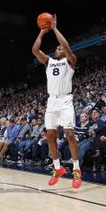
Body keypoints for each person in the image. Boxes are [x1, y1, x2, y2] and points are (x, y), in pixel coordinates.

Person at [32, 14, 81, 188]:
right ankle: (58, 168)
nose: (58, 50)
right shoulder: (49, 62)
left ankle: (76, 170)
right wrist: (42, 32)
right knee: (50, 136)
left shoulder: (70, 62)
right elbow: (35, 50)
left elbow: (66, 46)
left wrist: (54, 28)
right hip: (52, 102)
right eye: (57, 48)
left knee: (69, 134)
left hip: (66, 100)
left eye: (60, 49)